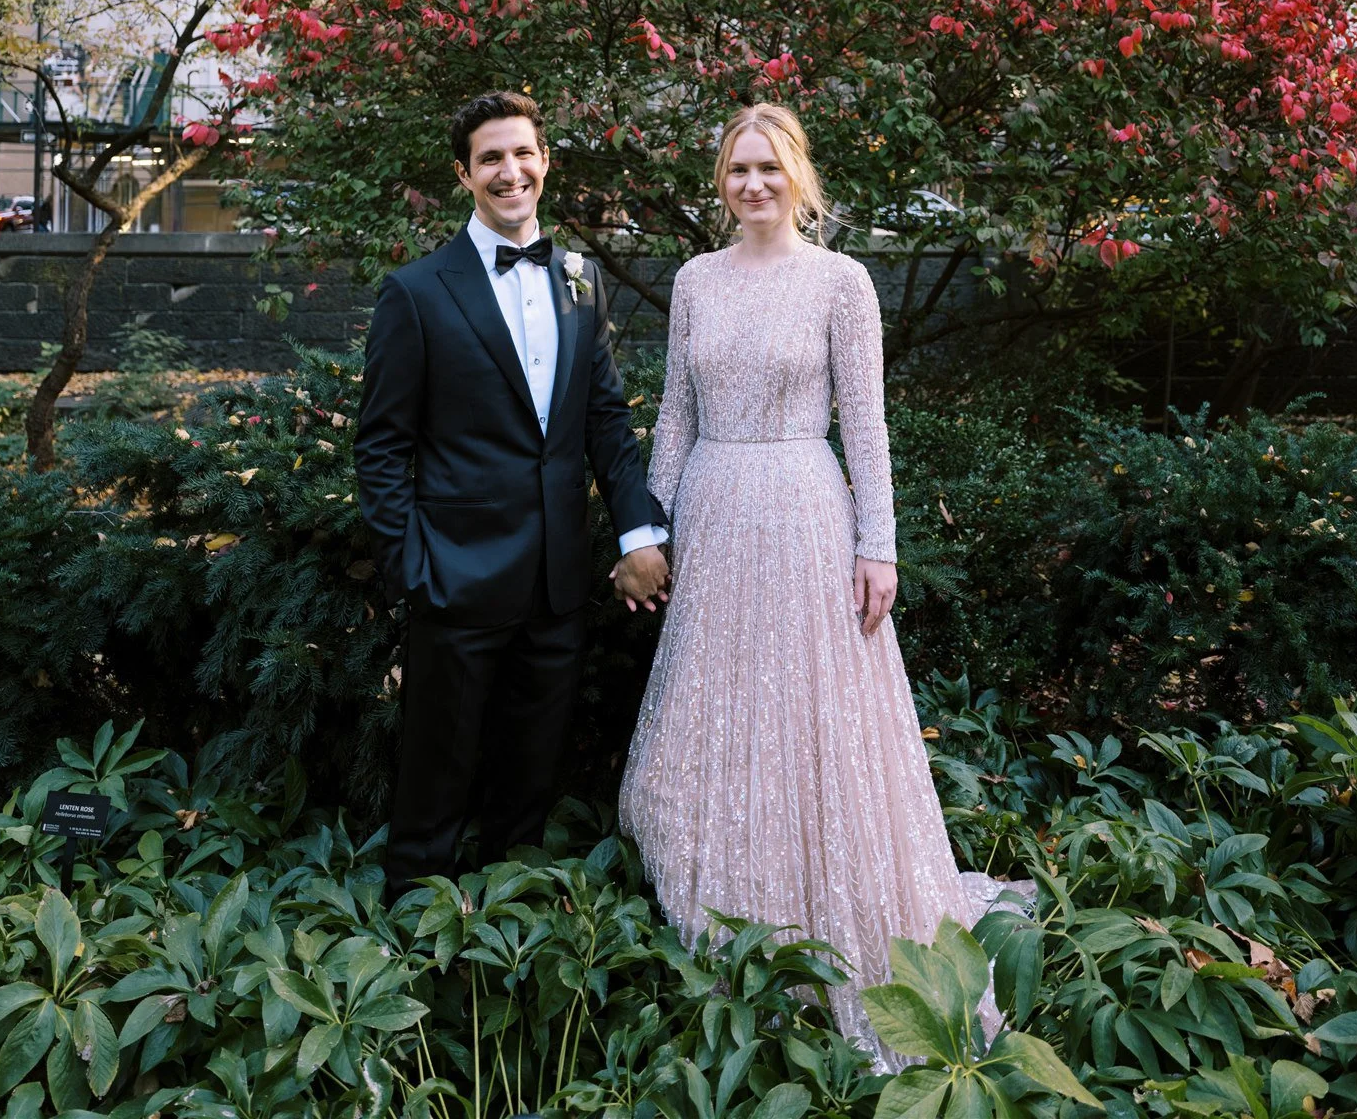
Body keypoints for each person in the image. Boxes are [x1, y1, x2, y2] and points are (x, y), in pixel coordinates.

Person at [619, 102, 1011, 1058]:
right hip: (711, 512)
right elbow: (673, 417)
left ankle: (830, 928)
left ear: (799, 177)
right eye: (736, 170)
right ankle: (724, 922)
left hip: (803, 509)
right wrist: (646, 531)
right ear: (722, 181)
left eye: (768, 168)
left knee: (808, 717)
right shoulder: (696, 280)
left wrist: (878, 546)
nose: (752, 184)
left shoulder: (842, 283)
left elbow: (866, 426)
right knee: (712, 716)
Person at [355, 89, 671, 899]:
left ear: (545, 162)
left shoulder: (580, 280)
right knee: (434, 790)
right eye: (491, 158)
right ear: (464, 174)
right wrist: (412, 571)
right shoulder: (417, 293)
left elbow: (604, 418)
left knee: (526, 791)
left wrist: (637, 534)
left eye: (522, 153)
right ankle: (409, 959)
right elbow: (383, 447)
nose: (510, 171)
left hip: (558, 584)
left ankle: (509, 946)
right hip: (454, 582)